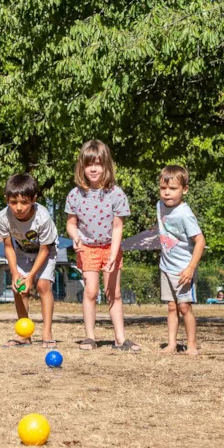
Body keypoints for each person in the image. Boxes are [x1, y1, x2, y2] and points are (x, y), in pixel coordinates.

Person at [65, 140, 140, 352]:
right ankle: (89, 337)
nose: (94, 168)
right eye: (89, 164)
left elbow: (118, 227)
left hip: (110, 247)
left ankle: (120, 339)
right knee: (91, 291)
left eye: (98, 163)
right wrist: (75, 237)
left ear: (106, 165)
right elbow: (71, 223)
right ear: (82, 166)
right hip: (87, 248)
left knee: (113, 293)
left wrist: (113, 256)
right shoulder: (75, 194)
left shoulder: (116, 194)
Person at [0, 173, 58, 348]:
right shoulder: (3, 217)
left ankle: (47, 332)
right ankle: (24, 335)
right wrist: (16, 274)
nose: (18, 207)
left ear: (34, 199)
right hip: (22, 251)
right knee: (19, 288)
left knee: (43, 285)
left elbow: (45, 249)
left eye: (24, 202)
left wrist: (31, 276)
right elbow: (8, 246)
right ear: (6, 199)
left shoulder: (42, 217)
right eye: (13, 202)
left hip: (46, 250)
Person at [157, 165, 205, 355]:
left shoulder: (185, 214)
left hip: (183, 270)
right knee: (171, 307)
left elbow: (200, 241)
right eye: (163, 188)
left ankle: (192, 345)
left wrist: (190, 268)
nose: (167, 193)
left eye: (173, 189)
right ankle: (171, 344)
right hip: (166, 266)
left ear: (184, 190)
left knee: (184, 307)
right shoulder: (159, 205)